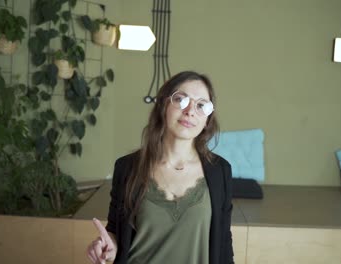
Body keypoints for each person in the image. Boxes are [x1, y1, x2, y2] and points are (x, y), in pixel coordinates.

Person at [86, 71, 234, 264]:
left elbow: (223, 241)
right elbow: (115, 230)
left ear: (207, 119)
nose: (190, 111)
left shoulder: (220, 171)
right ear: (163, 105)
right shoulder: (127, 167)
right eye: (181, 99)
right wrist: (108, 247)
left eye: (201, 105)